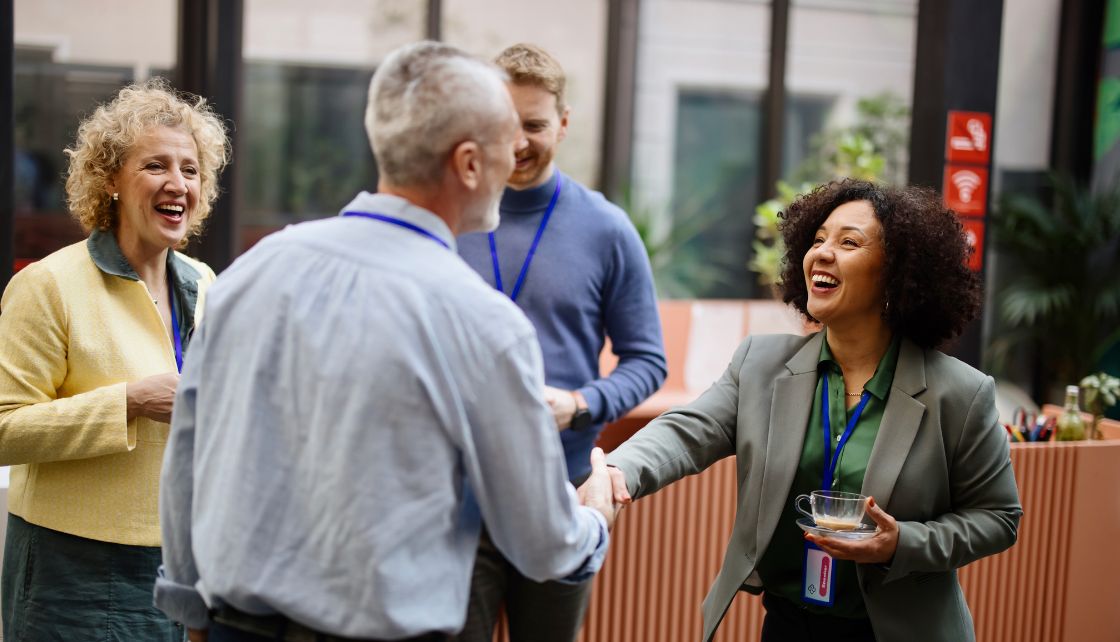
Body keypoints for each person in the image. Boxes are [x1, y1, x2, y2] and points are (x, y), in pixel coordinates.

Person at [154, 41, 620, 642]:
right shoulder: (485, 324)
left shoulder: (253, 270)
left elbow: (189, 455)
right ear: (471, 163)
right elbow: (542, 545)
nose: (518, 159)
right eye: (509, 141)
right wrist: (594, 519)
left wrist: (193, 611)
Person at [606, 180, 1022, 642]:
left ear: (897, 272)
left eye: (848, 242)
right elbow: (687, 431)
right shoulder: (760, 364)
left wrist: (900, 543)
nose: (822, 253)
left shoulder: (960, 393)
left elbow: (998, 518)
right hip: (789, 625)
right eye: (818, 238)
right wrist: (616, 472)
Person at [0, 79, 229, 640]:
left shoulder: (205, 283)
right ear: (111, 181)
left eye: (191, 170)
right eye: (155, 166)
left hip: (181, 564)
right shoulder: (48, 284)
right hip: (71, 571)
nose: (178, 183)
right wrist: (127, 402)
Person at [455, 43, 666, 642]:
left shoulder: (606, 229)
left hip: (562, 495)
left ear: (564, 124)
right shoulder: (447, 214)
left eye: (536, 124)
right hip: (455, 495)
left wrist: (578, 405)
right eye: (504, 122)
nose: (519, 140)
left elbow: (647, 360)